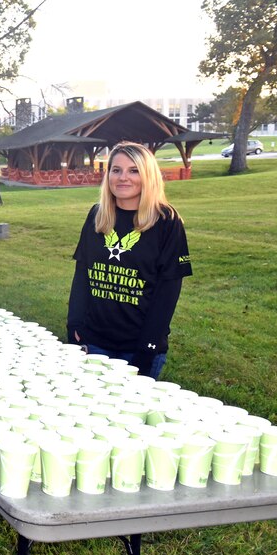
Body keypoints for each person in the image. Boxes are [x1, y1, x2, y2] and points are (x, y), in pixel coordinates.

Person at [67, 141, 192, 379]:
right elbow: (82, 275)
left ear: (148, 176)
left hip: (138, 347)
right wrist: (74, 327)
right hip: (93, 343)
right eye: (116, 170)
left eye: (134, 170)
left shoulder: (167, 221)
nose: (123, 177)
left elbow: (167, 293)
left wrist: (148, 348)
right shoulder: (97, 215)